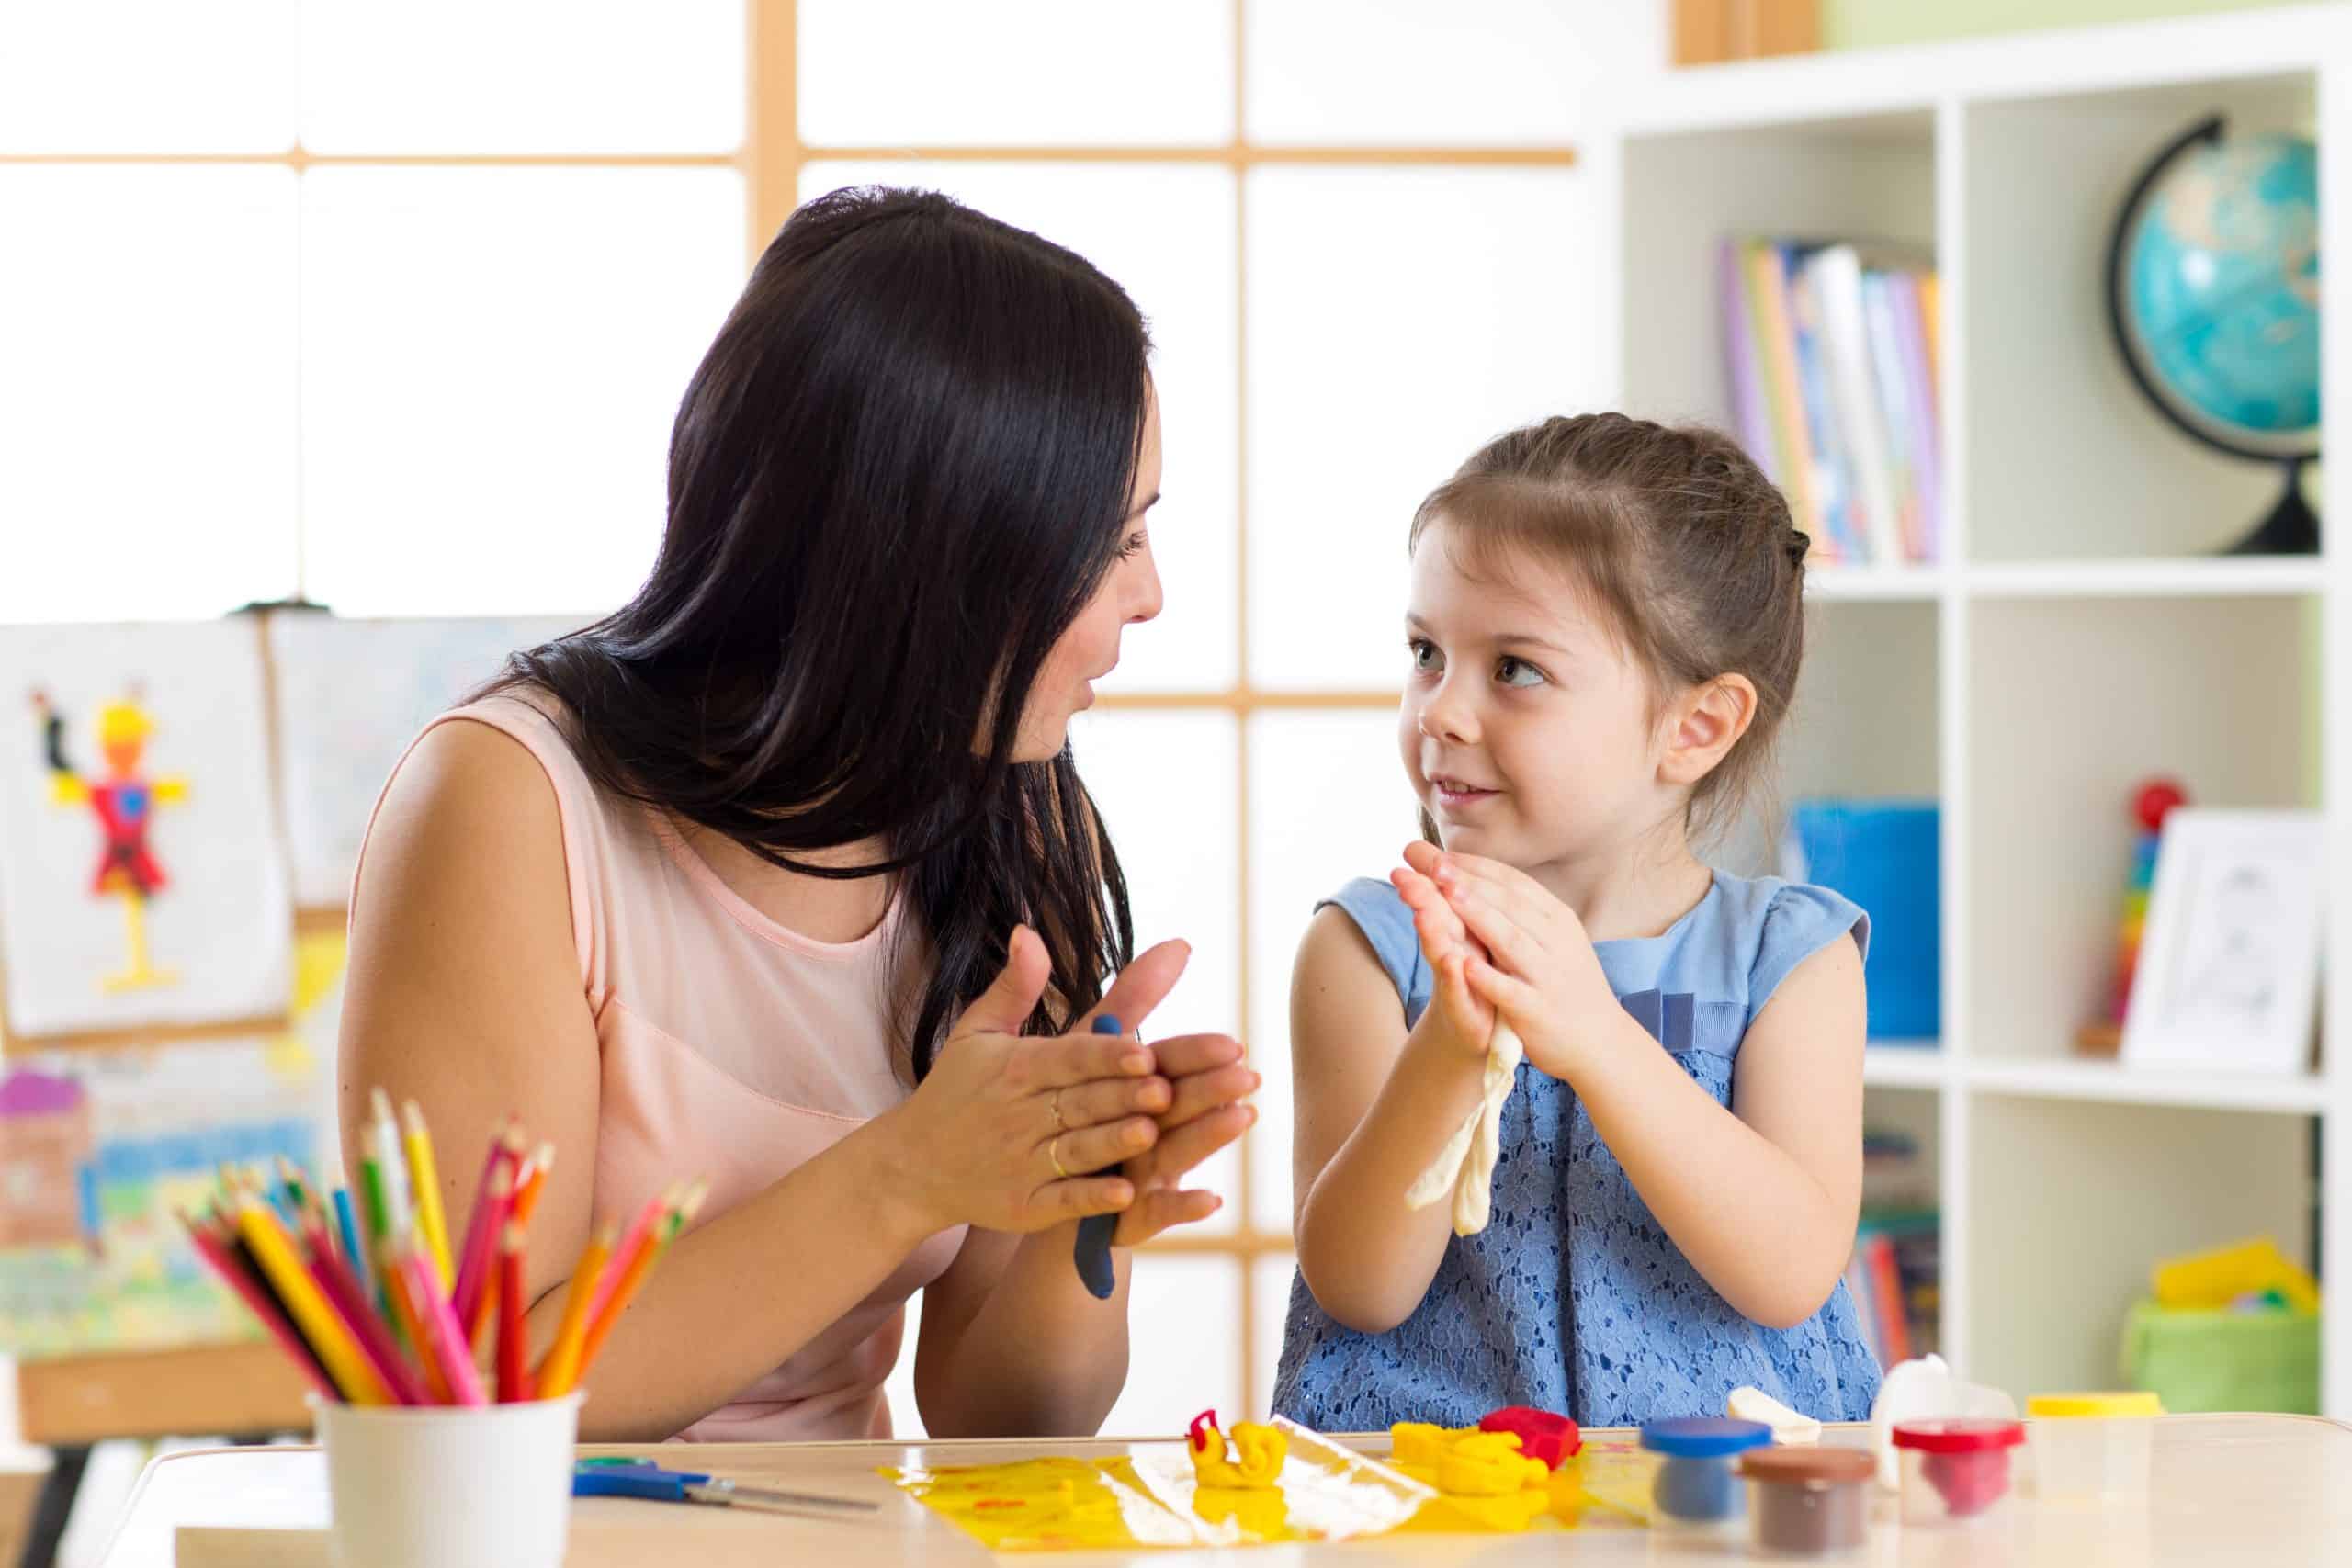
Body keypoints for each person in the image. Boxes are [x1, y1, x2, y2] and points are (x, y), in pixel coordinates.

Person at [339, 187, 1258, 1444]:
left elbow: (1000, 1411)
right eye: (1112, 543)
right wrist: (908, 1173)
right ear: (942, 557)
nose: (1151, 597)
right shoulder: (508, 802)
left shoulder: (1003, 814)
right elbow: (470, 1403)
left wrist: (1076, 1206)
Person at [1275, 413, 1879, 1429]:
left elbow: (1787, 1272)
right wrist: (1451, 1045)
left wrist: (1595, 1036)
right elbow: (1358, 1288)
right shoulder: (1369, 951)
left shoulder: (1790, 961)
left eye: (1513, 669)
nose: (1440, 712)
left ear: (1694, 727)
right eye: (1426, 652)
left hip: (1722, 1506)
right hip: (1433, 1503)